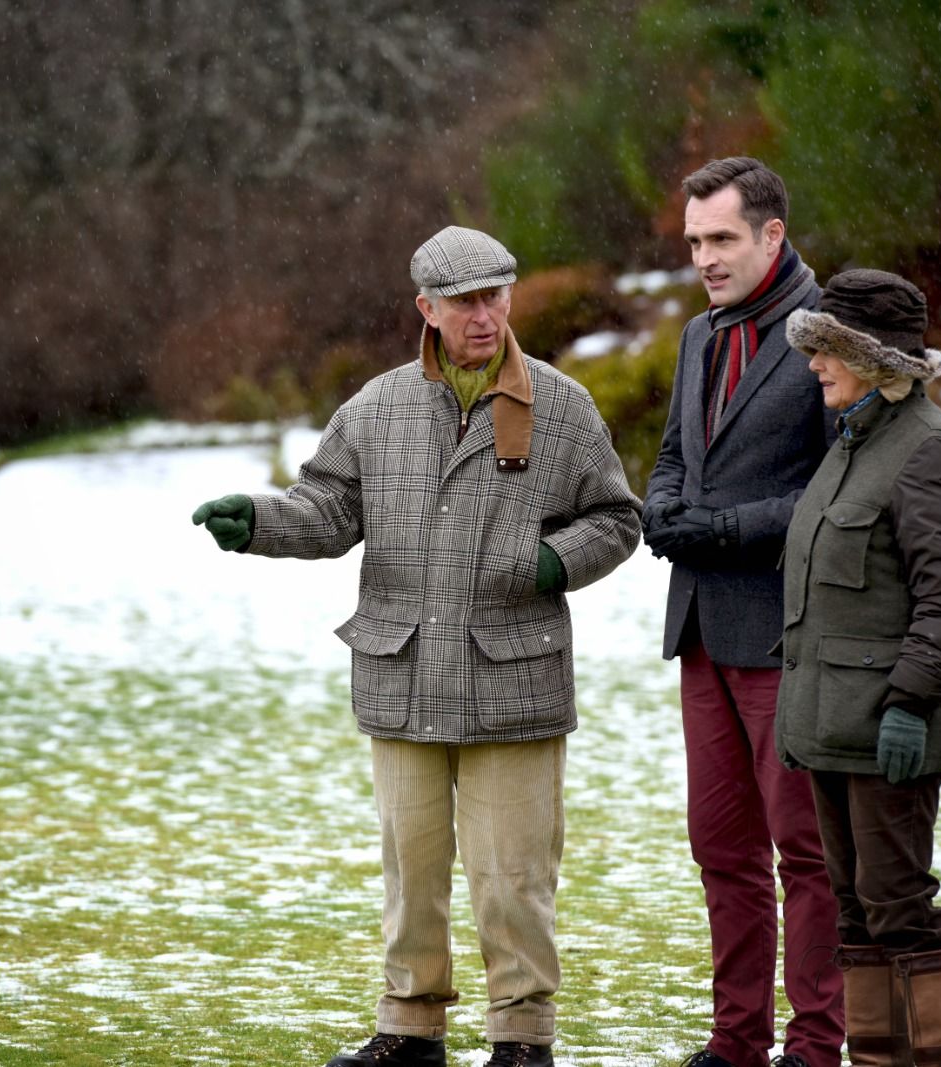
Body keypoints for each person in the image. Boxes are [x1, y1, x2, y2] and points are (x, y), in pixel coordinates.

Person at [191, 225, 641, 1067]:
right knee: (413, 869)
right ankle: (408, 1029)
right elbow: (326, 510)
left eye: (496, 294)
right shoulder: (374, 407)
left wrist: (553, 562)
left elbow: (617, 519)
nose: (485, 314)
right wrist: (259, 521)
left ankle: (521, 1039)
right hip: (402, 676)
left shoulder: (564, 405)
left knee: (514, 878)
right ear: (426, 308)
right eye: (465, 300)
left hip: (515, 678)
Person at [641, 156, 844, 1067]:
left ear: (772, 233)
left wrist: (727, 527)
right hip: (700, 628)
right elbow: (675, 453)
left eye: (721, 238)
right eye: (693, 243)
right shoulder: (697, 335)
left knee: (805, 851)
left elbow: (838, 494)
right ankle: (736, 1044)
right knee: (719, 847)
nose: (705, 259)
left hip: (786, 630)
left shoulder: (832, 335)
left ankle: (815, 1045)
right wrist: (662, 506)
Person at [777, 270, 941, 1067]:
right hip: (833, 727)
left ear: (874, 356)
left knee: (899, 908)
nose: (813, 365)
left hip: (892, 726)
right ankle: (876, 1058)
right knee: (856, 912)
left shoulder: (928, 447)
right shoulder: (851, 440)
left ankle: (939, 1060)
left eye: (828, 350)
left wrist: (907, 703)